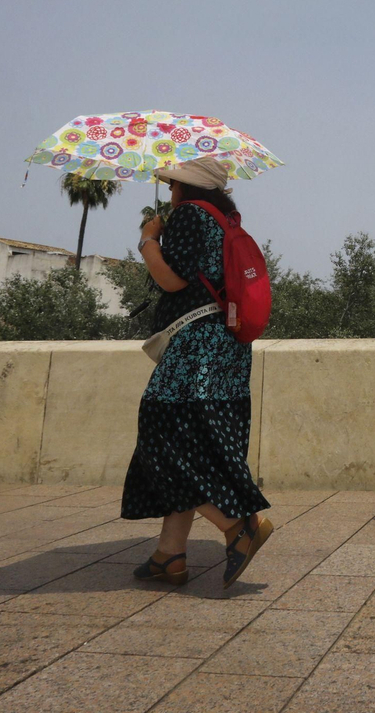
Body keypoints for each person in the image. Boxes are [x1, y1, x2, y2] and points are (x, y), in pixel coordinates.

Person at [121, 156, 272, 590]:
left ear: (187, 189)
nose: (169, 193)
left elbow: (172, 281)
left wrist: (148, 241)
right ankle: (170, 556)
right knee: (194, 440)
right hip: (225, 346)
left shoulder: (188, 216)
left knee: (162, 434)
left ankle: (236, 527)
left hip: (196, 348)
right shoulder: (223, 219)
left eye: (172, 186)